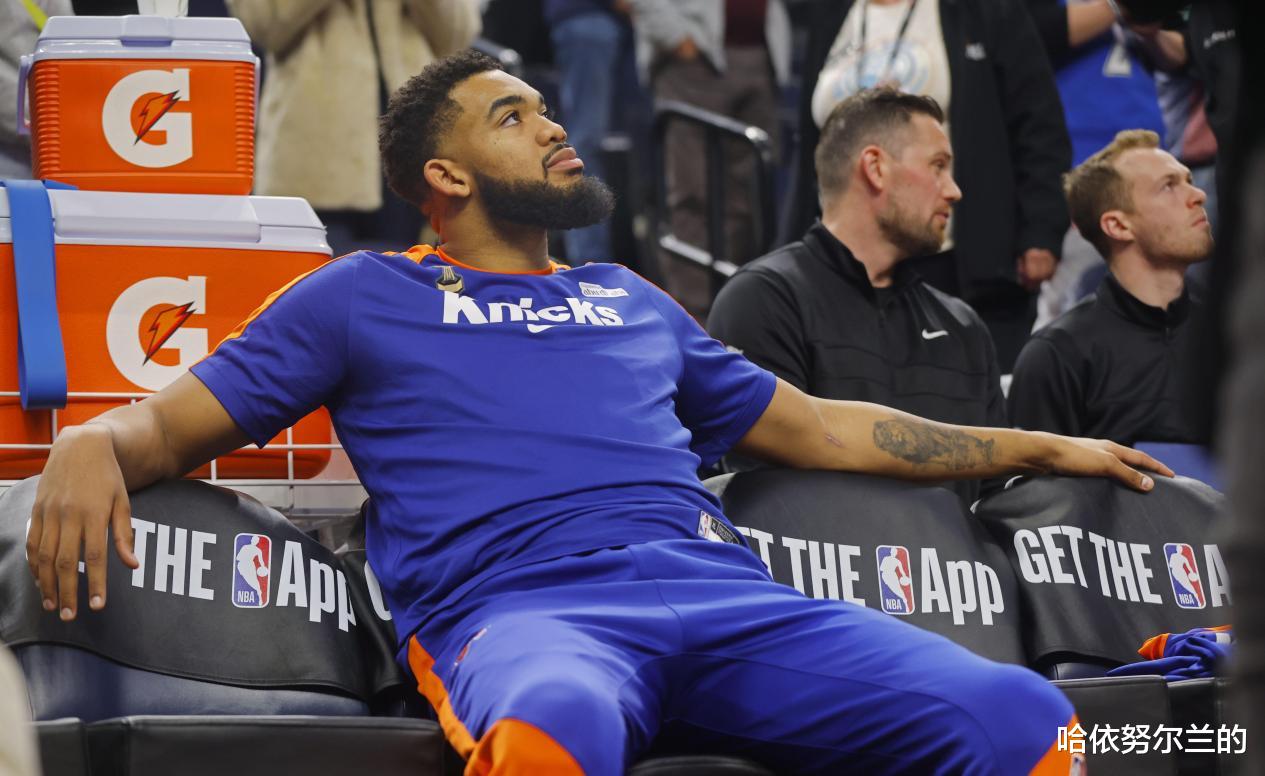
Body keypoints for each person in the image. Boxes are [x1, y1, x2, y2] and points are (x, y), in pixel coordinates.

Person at [27, 51, 1172, 775]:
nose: (551, 125)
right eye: (510, 115)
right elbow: (164, 426)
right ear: (445, 177)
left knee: (1021, 715)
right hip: (525, 611)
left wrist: (1040, 441)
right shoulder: (359, 295)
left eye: (544, 107)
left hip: (726, 597)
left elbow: (824, 427)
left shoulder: (627, 296)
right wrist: (89, 439)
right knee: (553, 727)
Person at [708, 89, 1005, 504]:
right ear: (875, 168)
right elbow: (766, 499)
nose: (953, 190)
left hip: (958, 550)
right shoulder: (764, 301)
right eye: (938, 166)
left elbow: (995, 502)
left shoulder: (963, 327)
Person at [784, 0, 1072, 371]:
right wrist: (790, 238)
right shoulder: (833, 12)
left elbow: (1038, 124)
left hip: (955, 255)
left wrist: (1041, 229)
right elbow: (811, 142)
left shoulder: (982, 11)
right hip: (847, 261)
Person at [227, 0, 481, 256]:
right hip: (313, 168)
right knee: (315, 276)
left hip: (411, 162)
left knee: (406, 276)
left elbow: (457, 35)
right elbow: (266, 24)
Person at [1009, 129, 1212, 444]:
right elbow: (1035, 476)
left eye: (1189, 180)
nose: (1198, 195)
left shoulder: (1234, 335)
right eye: (1169, 186)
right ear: (1117, 225)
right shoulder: (1057, 356)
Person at [626, 0, 791, 319]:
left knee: (748, 199)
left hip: (760, 55)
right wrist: (676, 37)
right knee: (692, 193)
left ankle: (736, 313)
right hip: (692, 62)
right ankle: (694, 320)